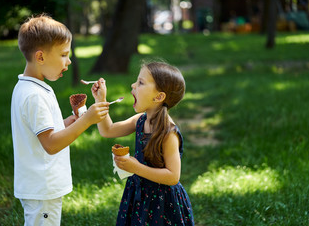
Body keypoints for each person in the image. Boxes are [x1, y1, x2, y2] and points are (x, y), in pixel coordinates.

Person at [11, 14, 109, 226]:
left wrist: (68, 123)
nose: (69, 60)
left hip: (39, 186)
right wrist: (86, 121)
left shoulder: (30, 87)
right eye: (64, 54)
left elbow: (43, 132)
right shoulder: (34, 95)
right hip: (43, 187)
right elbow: (51, 144)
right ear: (40, 57)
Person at [92, 61, 195, 225]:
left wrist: (136, 168)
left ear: (159, 96)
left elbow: (173, 176)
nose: (133, 84)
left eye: (140, 82)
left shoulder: (168, 133)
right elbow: (108, 130)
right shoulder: (140, 120)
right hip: (140, 195)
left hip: (163, 203)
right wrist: (100, 100)